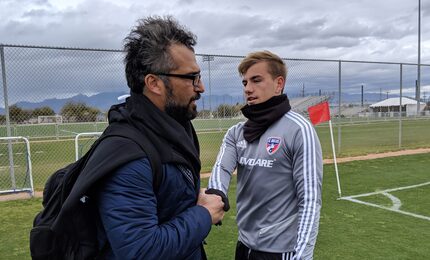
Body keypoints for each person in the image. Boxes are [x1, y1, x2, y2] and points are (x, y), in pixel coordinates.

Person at [95, 16, 225, 259]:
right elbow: (140, 251)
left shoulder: (172, 130)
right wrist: (204, 214)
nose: (201, 87)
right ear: (154, 83)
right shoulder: (129, 155)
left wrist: (192, 198)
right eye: (192, 77)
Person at [207, 50, 323, 260]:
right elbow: (222, 169)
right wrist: (216, 197)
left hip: (281, 251)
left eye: (256, 80)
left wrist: (302, 255)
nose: (248, 89)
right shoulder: (237, 132)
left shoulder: (299, 129)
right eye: (244, 83)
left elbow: (310, 198)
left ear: (279, 84)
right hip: (244, 245)